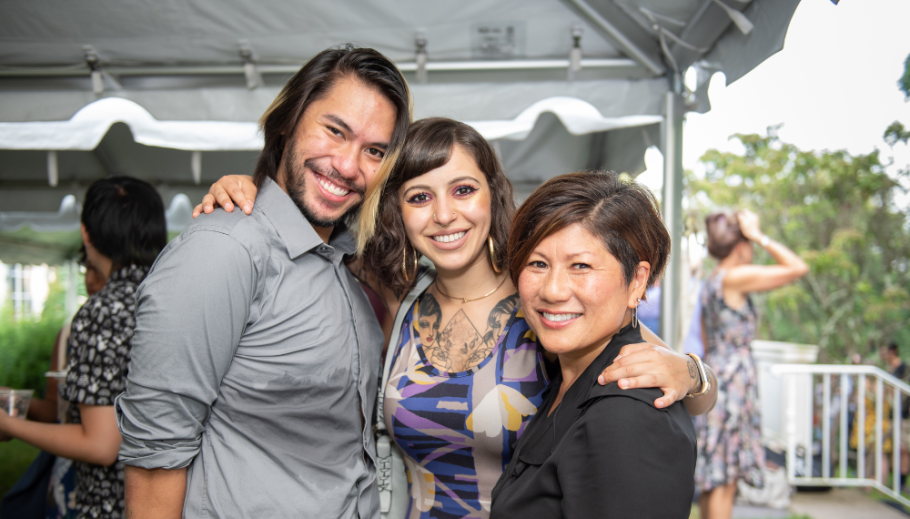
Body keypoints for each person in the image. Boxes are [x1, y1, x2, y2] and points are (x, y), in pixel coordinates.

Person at [198, 117, 717, 518]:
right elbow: (309, 223)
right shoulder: (395, 296)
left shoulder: (547, 297)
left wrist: (692, 371)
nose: (444, 214)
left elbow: (655, 372)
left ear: (493, 192)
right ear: (397, 211)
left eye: (463, 190)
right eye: (420, 197)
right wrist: (250, 194)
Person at [114, 46, 412, 519]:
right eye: (335, 131)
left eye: (374, 151)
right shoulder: (223, 249)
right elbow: (155, 457)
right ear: (287, 122)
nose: (349, 165)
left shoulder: (346, 263)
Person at [489, 170, 697, 518]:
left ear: (637, 281)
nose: (553, 290)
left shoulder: (626, 416)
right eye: (538, 263)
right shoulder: (569, 377)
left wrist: (695, 373)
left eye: (581, 266)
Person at [0, 176, 168, 519]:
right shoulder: (177, 297)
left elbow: (101, 445)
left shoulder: (103, 311)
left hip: (116, 505)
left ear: (86, 234)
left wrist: (9, 425)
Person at [695, 209, 808, 519]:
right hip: (735, 381)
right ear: (741, 245)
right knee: (725, 481)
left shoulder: (711, 281)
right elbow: (797, 267)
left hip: (716, 374)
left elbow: (706, 340)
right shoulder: (735, 276)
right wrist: (760, 234)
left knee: (714, 476)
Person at [880, 341, 910, 486]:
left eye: (884, 352)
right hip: (890, 415)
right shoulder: (888, 370)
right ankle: (894, 482)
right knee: (892, 448)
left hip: (904, 416)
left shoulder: (904, 369)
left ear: (892, 352)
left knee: (903, 448)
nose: (882, 356)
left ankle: (902, 482)